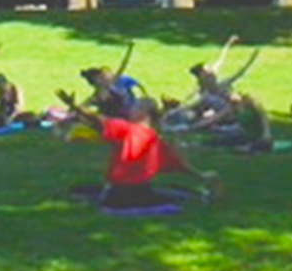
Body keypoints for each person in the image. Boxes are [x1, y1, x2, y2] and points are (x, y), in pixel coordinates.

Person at [57, 89, 218, 210]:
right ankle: (202, 196)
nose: (131, 110)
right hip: (137, 191)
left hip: (119, 193)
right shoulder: (155, 140)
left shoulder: (127, 129)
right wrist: (201, 176)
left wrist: (74, 106)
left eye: (136, 107)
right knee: (173, 193)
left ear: (144, 113)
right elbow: (179, 166)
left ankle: (202, 198)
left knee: (83, 191)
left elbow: (97, 121)